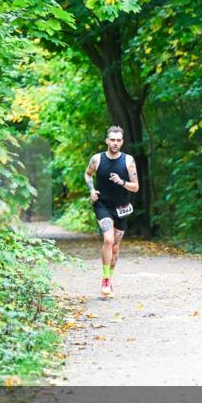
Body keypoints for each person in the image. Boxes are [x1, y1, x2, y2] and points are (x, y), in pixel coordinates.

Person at [84, 125, 139, 299]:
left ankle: (110, 278)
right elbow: (87, 175)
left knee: (115, 248)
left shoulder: (128, 161)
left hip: (121, 208)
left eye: (118, 140)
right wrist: (92, 190)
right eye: (112, 140)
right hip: (103, 205)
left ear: (122, 142)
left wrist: (121, 182)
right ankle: (105, 280)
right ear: (106, 141)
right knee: (108, 240)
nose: (115, 143)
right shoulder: (97, 159)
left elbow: (135, 187)